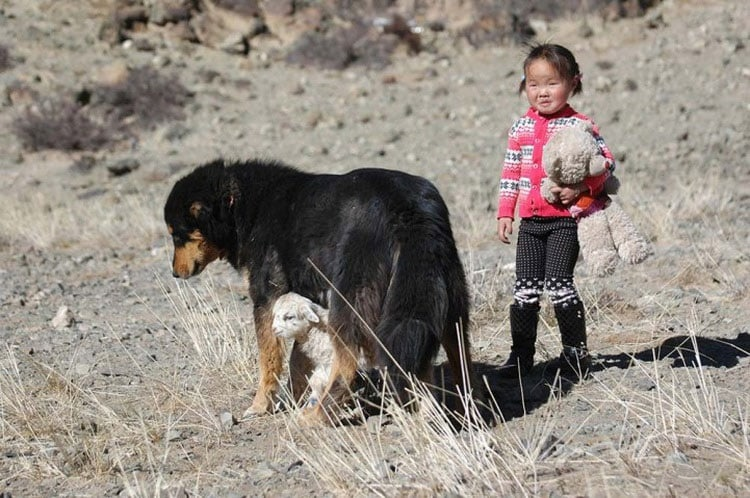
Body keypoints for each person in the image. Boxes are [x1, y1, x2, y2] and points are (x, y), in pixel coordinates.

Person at [496, 43, 615, 380]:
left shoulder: (581, 126)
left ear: (573, 83)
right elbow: (511, 172)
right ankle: (521, 356)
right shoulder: (520, 128)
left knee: (560, 284)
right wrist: (506, 212)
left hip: (565, 222)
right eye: (534, 84)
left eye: (551, 83)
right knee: (525, 289)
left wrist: (581, 189)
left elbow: (606, 164)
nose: (542, 92)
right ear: (524, 86)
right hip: (530, 223)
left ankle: (576, 355)